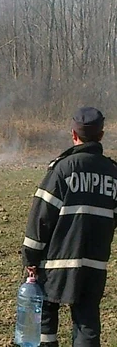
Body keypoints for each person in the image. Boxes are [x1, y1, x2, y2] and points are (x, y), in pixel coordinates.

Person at [22, 107, 117, 347]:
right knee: (87, 323)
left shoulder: (63, 169)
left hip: (55, 263)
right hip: (94, 265)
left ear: (73, 135)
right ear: (102, 135)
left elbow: (41, 216)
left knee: (45, 315)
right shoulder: (113, 173)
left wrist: (30, 257)